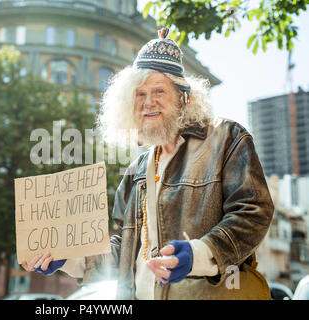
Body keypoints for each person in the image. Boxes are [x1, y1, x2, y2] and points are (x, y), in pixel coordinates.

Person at [21, 27, 274, 300]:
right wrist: (65, 257)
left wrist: (196, 254)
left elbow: (253, 212)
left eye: (159, 91)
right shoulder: (136, 169)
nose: (148, 102)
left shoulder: (226, 137)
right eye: (139, 94)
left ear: (183, 97)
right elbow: (121, 249)